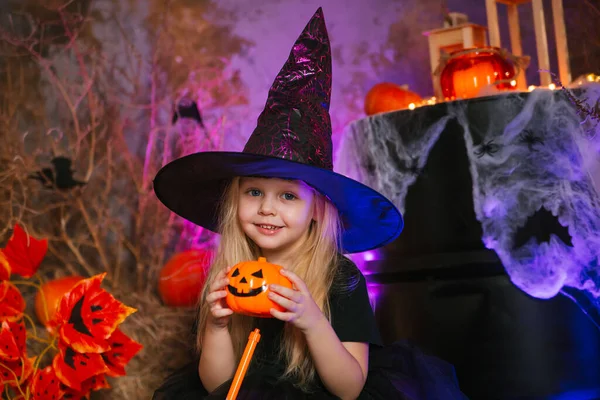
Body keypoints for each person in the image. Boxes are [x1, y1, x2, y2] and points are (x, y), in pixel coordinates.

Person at [152, 7, 468, 400]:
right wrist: (216, 328)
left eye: (287, 196)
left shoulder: (340, 280)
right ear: (235, 201)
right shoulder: (231, 274)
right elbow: (218, 386)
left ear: (318, 209)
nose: (267, 208)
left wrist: (312, 321)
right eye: (254, 193)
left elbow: (350, 388)